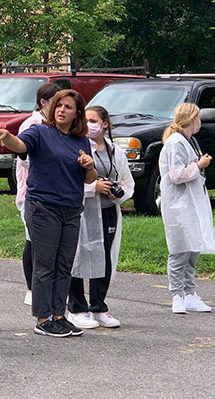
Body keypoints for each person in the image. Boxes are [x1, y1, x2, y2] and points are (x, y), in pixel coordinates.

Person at [0, 89, 97, 337]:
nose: (61, 110)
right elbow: (20, 145)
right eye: (58, 105)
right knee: (45, 264)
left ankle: (59, 315)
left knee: (64, 265)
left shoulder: (81, 141)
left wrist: (90, 166)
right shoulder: (40, 131)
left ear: (77, 113)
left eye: (68, 107)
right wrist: (7, 137)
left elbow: (90, 178)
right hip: (43, 207)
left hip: (71, 208)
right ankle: (43, 318)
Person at [67, 106, 134, 329]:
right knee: (79, 255)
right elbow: (68, 181)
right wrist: (93, 187)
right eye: (85, 120)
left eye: (93, 120)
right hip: (82, 209)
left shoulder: (115, 151)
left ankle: (99, 306)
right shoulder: (77, 147)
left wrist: (117, 192)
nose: (89, 125)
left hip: (107, 210)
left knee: (103, 256)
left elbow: (127, 182)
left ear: (105, 124)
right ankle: (77, 307)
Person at [159, 103, 215, 314]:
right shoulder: (175, 142)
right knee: (180, 249)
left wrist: (197, 164)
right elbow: (176, 176)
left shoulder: (188, 140)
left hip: (192, 202)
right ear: (192, 119)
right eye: (198, 118)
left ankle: (190, 293)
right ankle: (177, 295)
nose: (199, 123)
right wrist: (199, 165)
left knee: (194, 246)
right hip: (178, 204)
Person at [16, 83, 61, 306]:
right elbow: (24, 157)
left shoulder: (54, 125)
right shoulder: (32, 124)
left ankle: (47, 287)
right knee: (33, 240)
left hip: (54, 192)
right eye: (57, 102)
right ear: (43, 102)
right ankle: (32, 289)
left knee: (48, 242)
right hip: (32, 192)